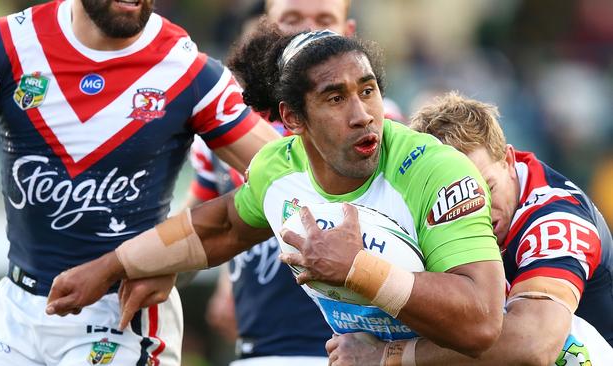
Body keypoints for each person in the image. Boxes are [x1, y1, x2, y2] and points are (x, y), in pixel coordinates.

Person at [46, 23, 506, 360]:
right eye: (335, 98)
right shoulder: (276, 169)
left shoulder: (433, 170)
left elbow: (483, 323)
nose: (364, 114)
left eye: (368, 91)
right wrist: (109, 267)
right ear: (291, 119)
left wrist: (360, 270)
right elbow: (220, 227)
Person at [0, 0, 279, 364]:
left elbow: (292, 180)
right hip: (16, 310)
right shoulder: (3, 43)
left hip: (122, 314)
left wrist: (168, 258)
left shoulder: (189, 70)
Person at [326, 92, 613, 365]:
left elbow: (533, 345)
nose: (477, 212)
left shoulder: (557, 221)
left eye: (485, 189)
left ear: (508, 161)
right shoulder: (417, 201)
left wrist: (386, 356)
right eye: (457, 198)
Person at [195, 1, 403, 364]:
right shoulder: (223, 130)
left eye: (324, 22)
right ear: (265, 34)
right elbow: (214, 223)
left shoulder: (382, 125)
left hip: (351, 350)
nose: (308, 33)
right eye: (292, 21)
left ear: (348, 33)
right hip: (259, 351)